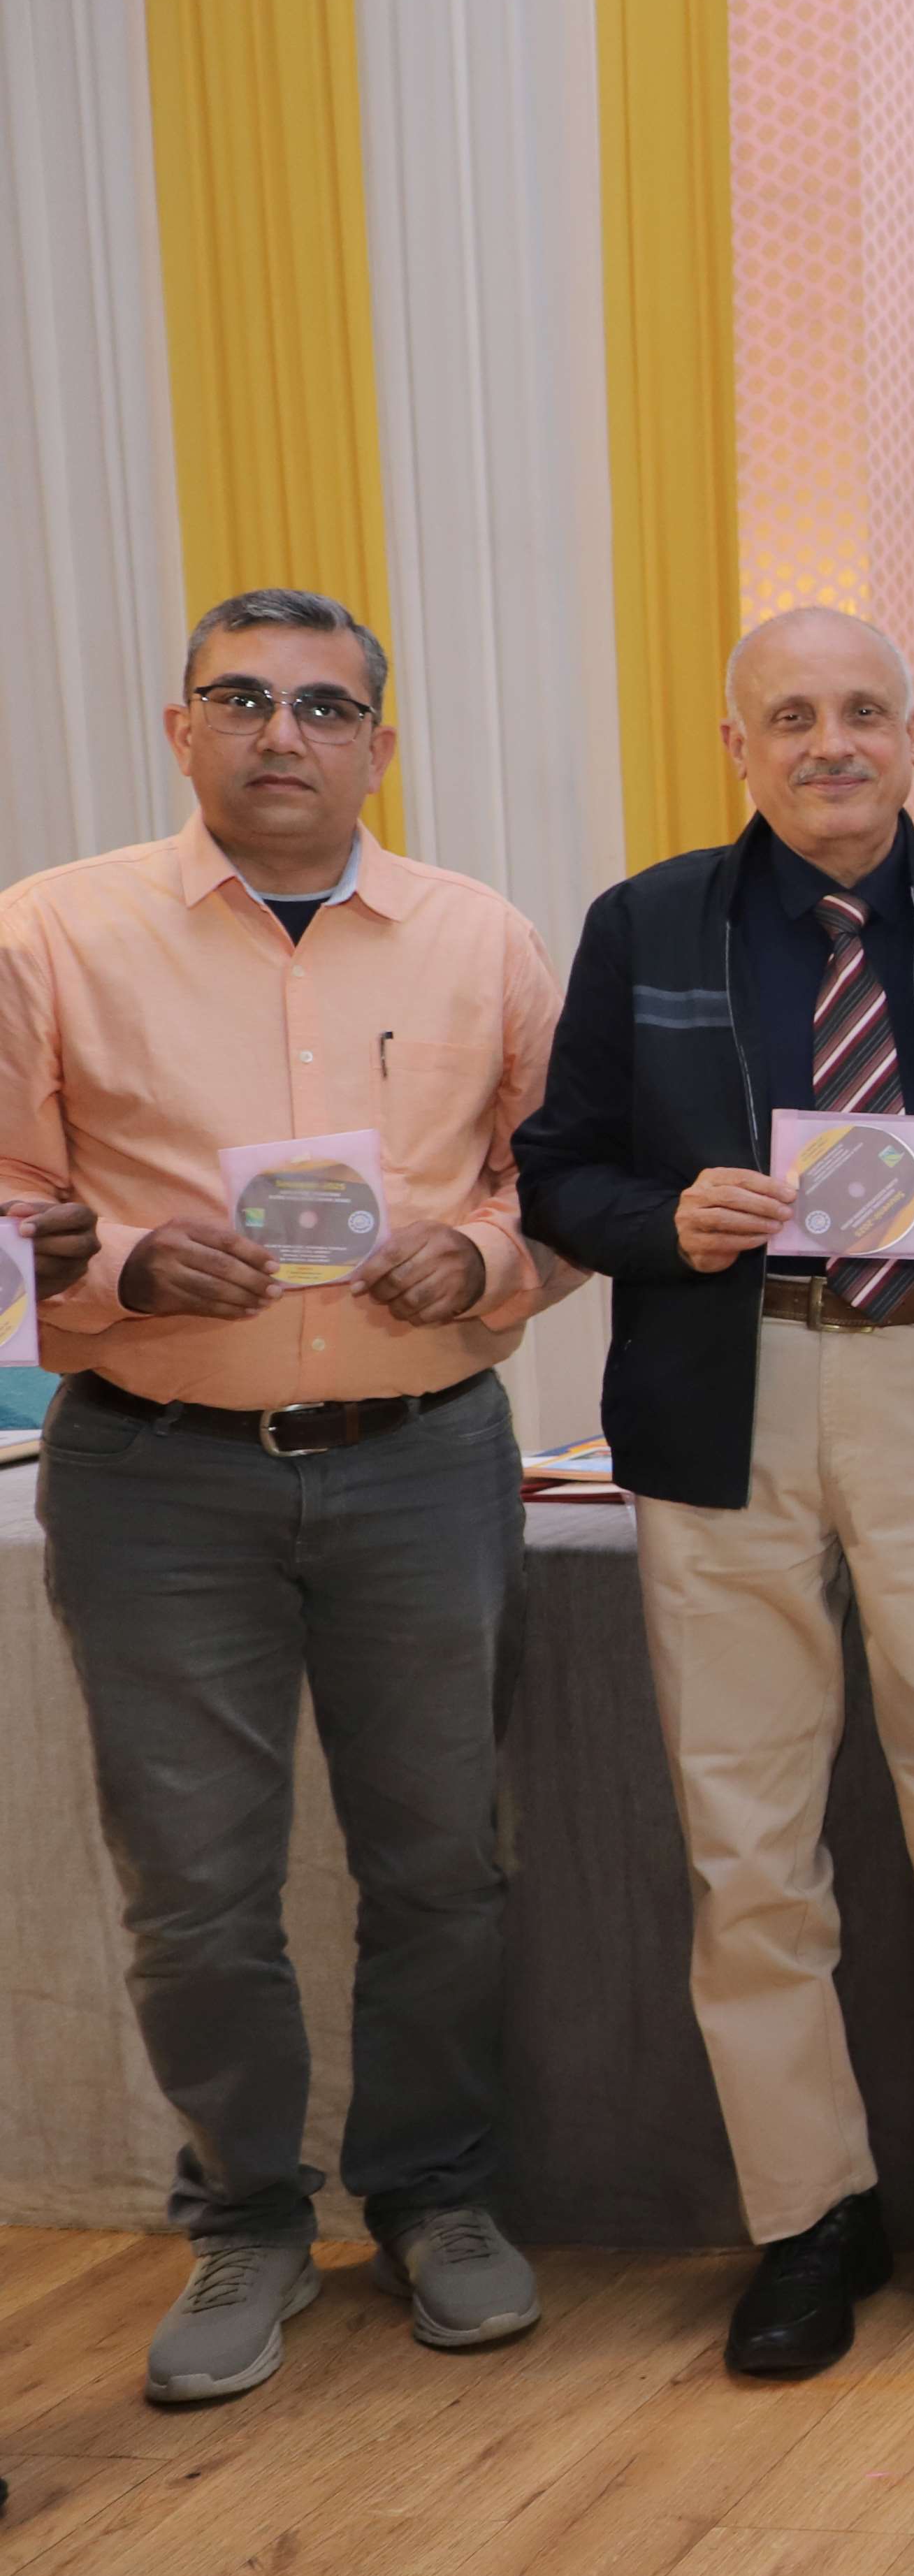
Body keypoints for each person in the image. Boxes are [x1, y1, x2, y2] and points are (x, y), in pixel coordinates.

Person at [515, 607, 914, 2379]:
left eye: (864, 709)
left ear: (913, 733)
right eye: (790, 715)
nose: (831, 741)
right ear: (740, 746)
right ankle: (809, 2216)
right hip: (730, 1400)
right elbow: (559, 1174)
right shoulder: (647, 925)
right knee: (748, 1838)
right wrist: (666, 1220)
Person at [0, 588, 565, 2403]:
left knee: (442, 1866)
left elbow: (565, 1186)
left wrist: (482, 1259)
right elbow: (4, 1209)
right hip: (155, 1479)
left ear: (379, 747)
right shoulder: (50, 934)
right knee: (195, 1890)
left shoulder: (479, 939)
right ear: (182, 729)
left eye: (324, 707)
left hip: (425, 1465)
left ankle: (436, 2197)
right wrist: (113, 1273)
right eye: (240, 699)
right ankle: (244, 2217)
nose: (281, 734)